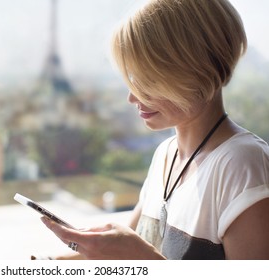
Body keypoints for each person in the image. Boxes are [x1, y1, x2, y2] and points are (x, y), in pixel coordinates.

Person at [40, 0, 269, 260]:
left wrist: (144, 259)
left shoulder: (243, 164)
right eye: (134, 78)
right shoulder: (166, 155)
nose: (133, 98)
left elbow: (139, 255)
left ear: (198, 69)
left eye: (149, 78)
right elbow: (126, 248)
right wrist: (52, 264)